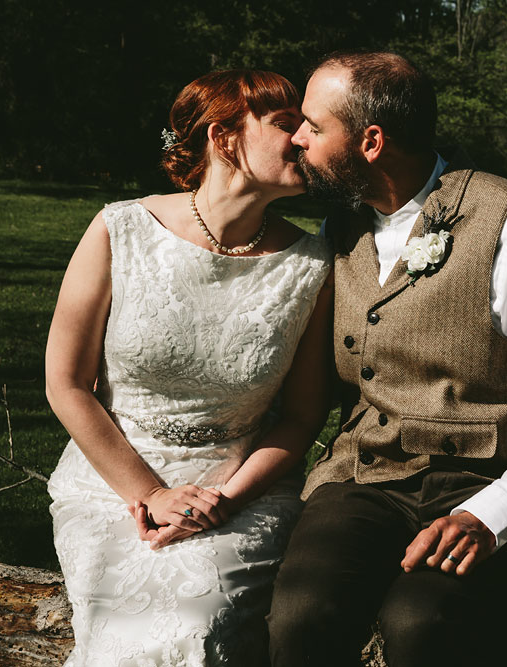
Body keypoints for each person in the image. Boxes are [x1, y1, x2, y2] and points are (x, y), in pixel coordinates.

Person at [267, 51, 507, 667]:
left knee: (420, 623)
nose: (295, 137)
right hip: (365, 479)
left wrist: (497, 513)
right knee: (302, 617)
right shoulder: (340, 229)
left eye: (313, 126)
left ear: (371, 141)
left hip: (489, 476)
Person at [45, 69, 333, 665]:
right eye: (286, 125)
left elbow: (304, 417)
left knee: (199, 623)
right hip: (113, 485)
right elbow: (67, 384)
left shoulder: (312, 266)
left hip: (241, 493)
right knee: (117, 623)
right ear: (224, 137)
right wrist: (149, 492)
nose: (306, 138)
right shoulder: (119, 228)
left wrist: (221, 501)